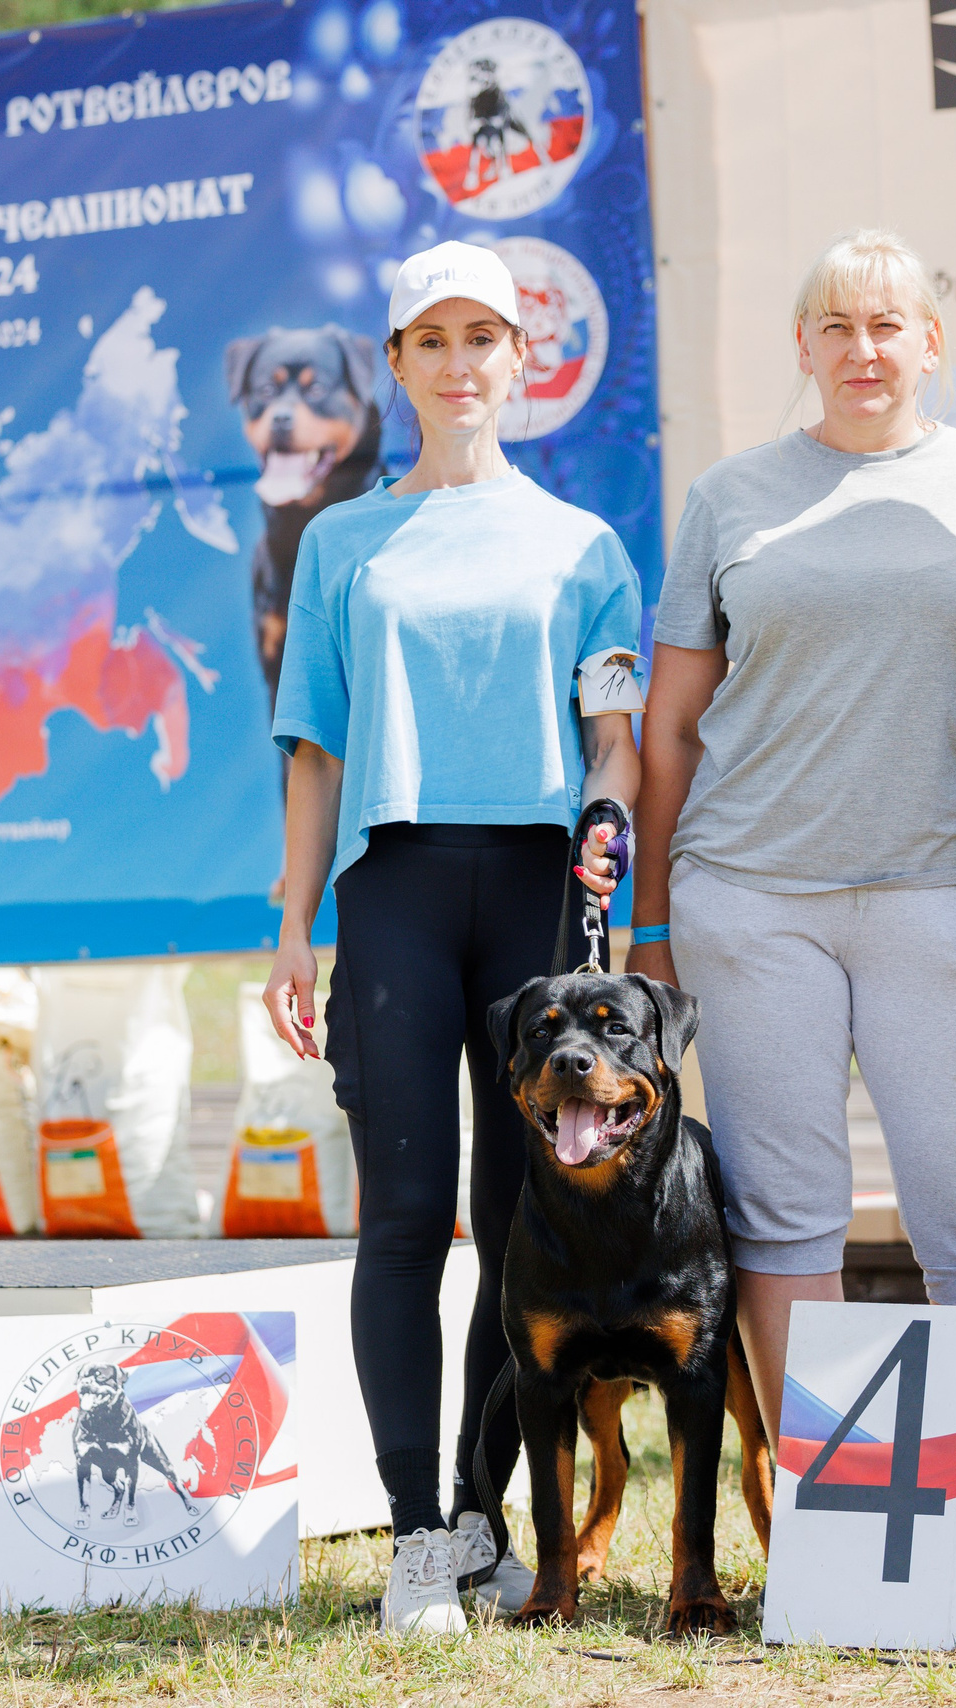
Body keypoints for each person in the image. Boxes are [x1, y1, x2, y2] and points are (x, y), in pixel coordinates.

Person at [260, 241, 642, 1637]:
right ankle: (415, 1533)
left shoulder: (584, 546)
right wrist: (294, 925)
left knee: (516, 1220)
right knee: (408, 1216)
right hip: (398, 895)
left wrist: (609, 817)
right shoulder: (343, 545)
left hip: (543, 897)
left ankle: (484, 1511)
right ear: (402, 363)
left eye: (487, 334)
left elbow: (615, 734)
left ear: (520, 358)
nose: (463, 359)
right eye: (434, 338)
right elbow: (312, 752)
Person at [627, 229, 956, 1437]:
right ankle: (828, 1509)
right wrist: (648, 926)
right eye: (836, 325)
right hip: (749, 901)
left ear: (931, 343)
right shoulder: (729, 498)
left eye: (888, 325)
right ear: (804, 348)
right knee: (783, 1217)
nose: (862, 348)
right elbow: (668, 732)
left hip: (944, 895)